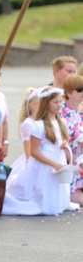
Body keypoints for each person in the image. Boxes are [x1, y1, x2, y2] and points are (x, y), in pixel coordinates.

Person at [2, 87, 71, 216]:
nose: (60, 105)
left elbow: (61, 139)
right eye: (55, 102)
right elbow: (34, 151)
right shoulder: (38, 125)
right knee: (44, 196)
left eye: (61, 101)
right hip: (45, 163)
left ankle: (59, 202)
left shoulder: (61, 122)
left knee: (57, 190)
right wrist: (54, 164)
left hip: (58, 159)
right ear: (46, 104)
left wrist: (64, 145)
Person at [60, 75, 83, 205]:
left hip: (77, 159)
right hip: (66, 161)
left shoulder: (77, 112)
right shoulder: (61, 111)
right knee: (77, 199)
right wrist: (69, 154)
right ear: (68, 92)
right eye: (80, 89)